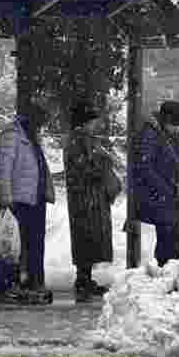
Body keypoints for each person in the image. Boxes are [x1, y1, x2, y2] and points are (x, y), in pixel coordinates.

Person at [0, 103, 54, 304]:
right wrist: (5, 196)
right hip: (18, 199)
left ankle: (34, 283)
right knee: (14, 246)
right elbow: (4, 166)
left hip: (35, 198)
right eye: (39, 123)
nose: (41, 127)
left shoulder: (31, 135)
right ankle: (12, 284)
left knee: (34, 243)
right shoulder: (13, 134)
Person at [65, 100, 120, 301]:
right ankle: (82, 280)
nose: (96, 124)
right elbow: (82, 168)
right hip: (86, 198)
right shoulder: (78, 140)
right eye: (92, 121)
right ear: (84, 122)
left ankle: (85, 279)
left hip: (90, 197)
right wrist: (103, 166)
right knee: (86, 238)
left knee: (89, 238)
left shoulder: (84, 139)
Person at [132, 100, 179, 267]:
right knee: (168, 235)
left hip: (169, 192)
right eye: (175, 124)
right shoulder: (151, 133)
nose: (177, 128)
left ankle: (167, 269)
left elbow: (175, 155)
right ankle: (164, 269)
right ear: (166, 120)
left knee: (173, 234)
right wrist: (165, 189)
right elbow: (145, 165)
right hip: (159, 194)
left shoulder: (169, 133)